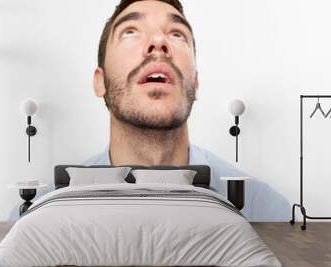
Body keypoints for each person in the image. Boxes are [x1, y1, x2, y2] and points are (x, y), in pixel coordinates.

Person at [84, 0, 290, 221]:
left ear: (195, 83)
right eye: (130, 31)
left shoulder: (267, 211)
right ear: (100, 81)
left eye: (176, 34)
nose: (158, 41)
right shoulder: (44, 211)